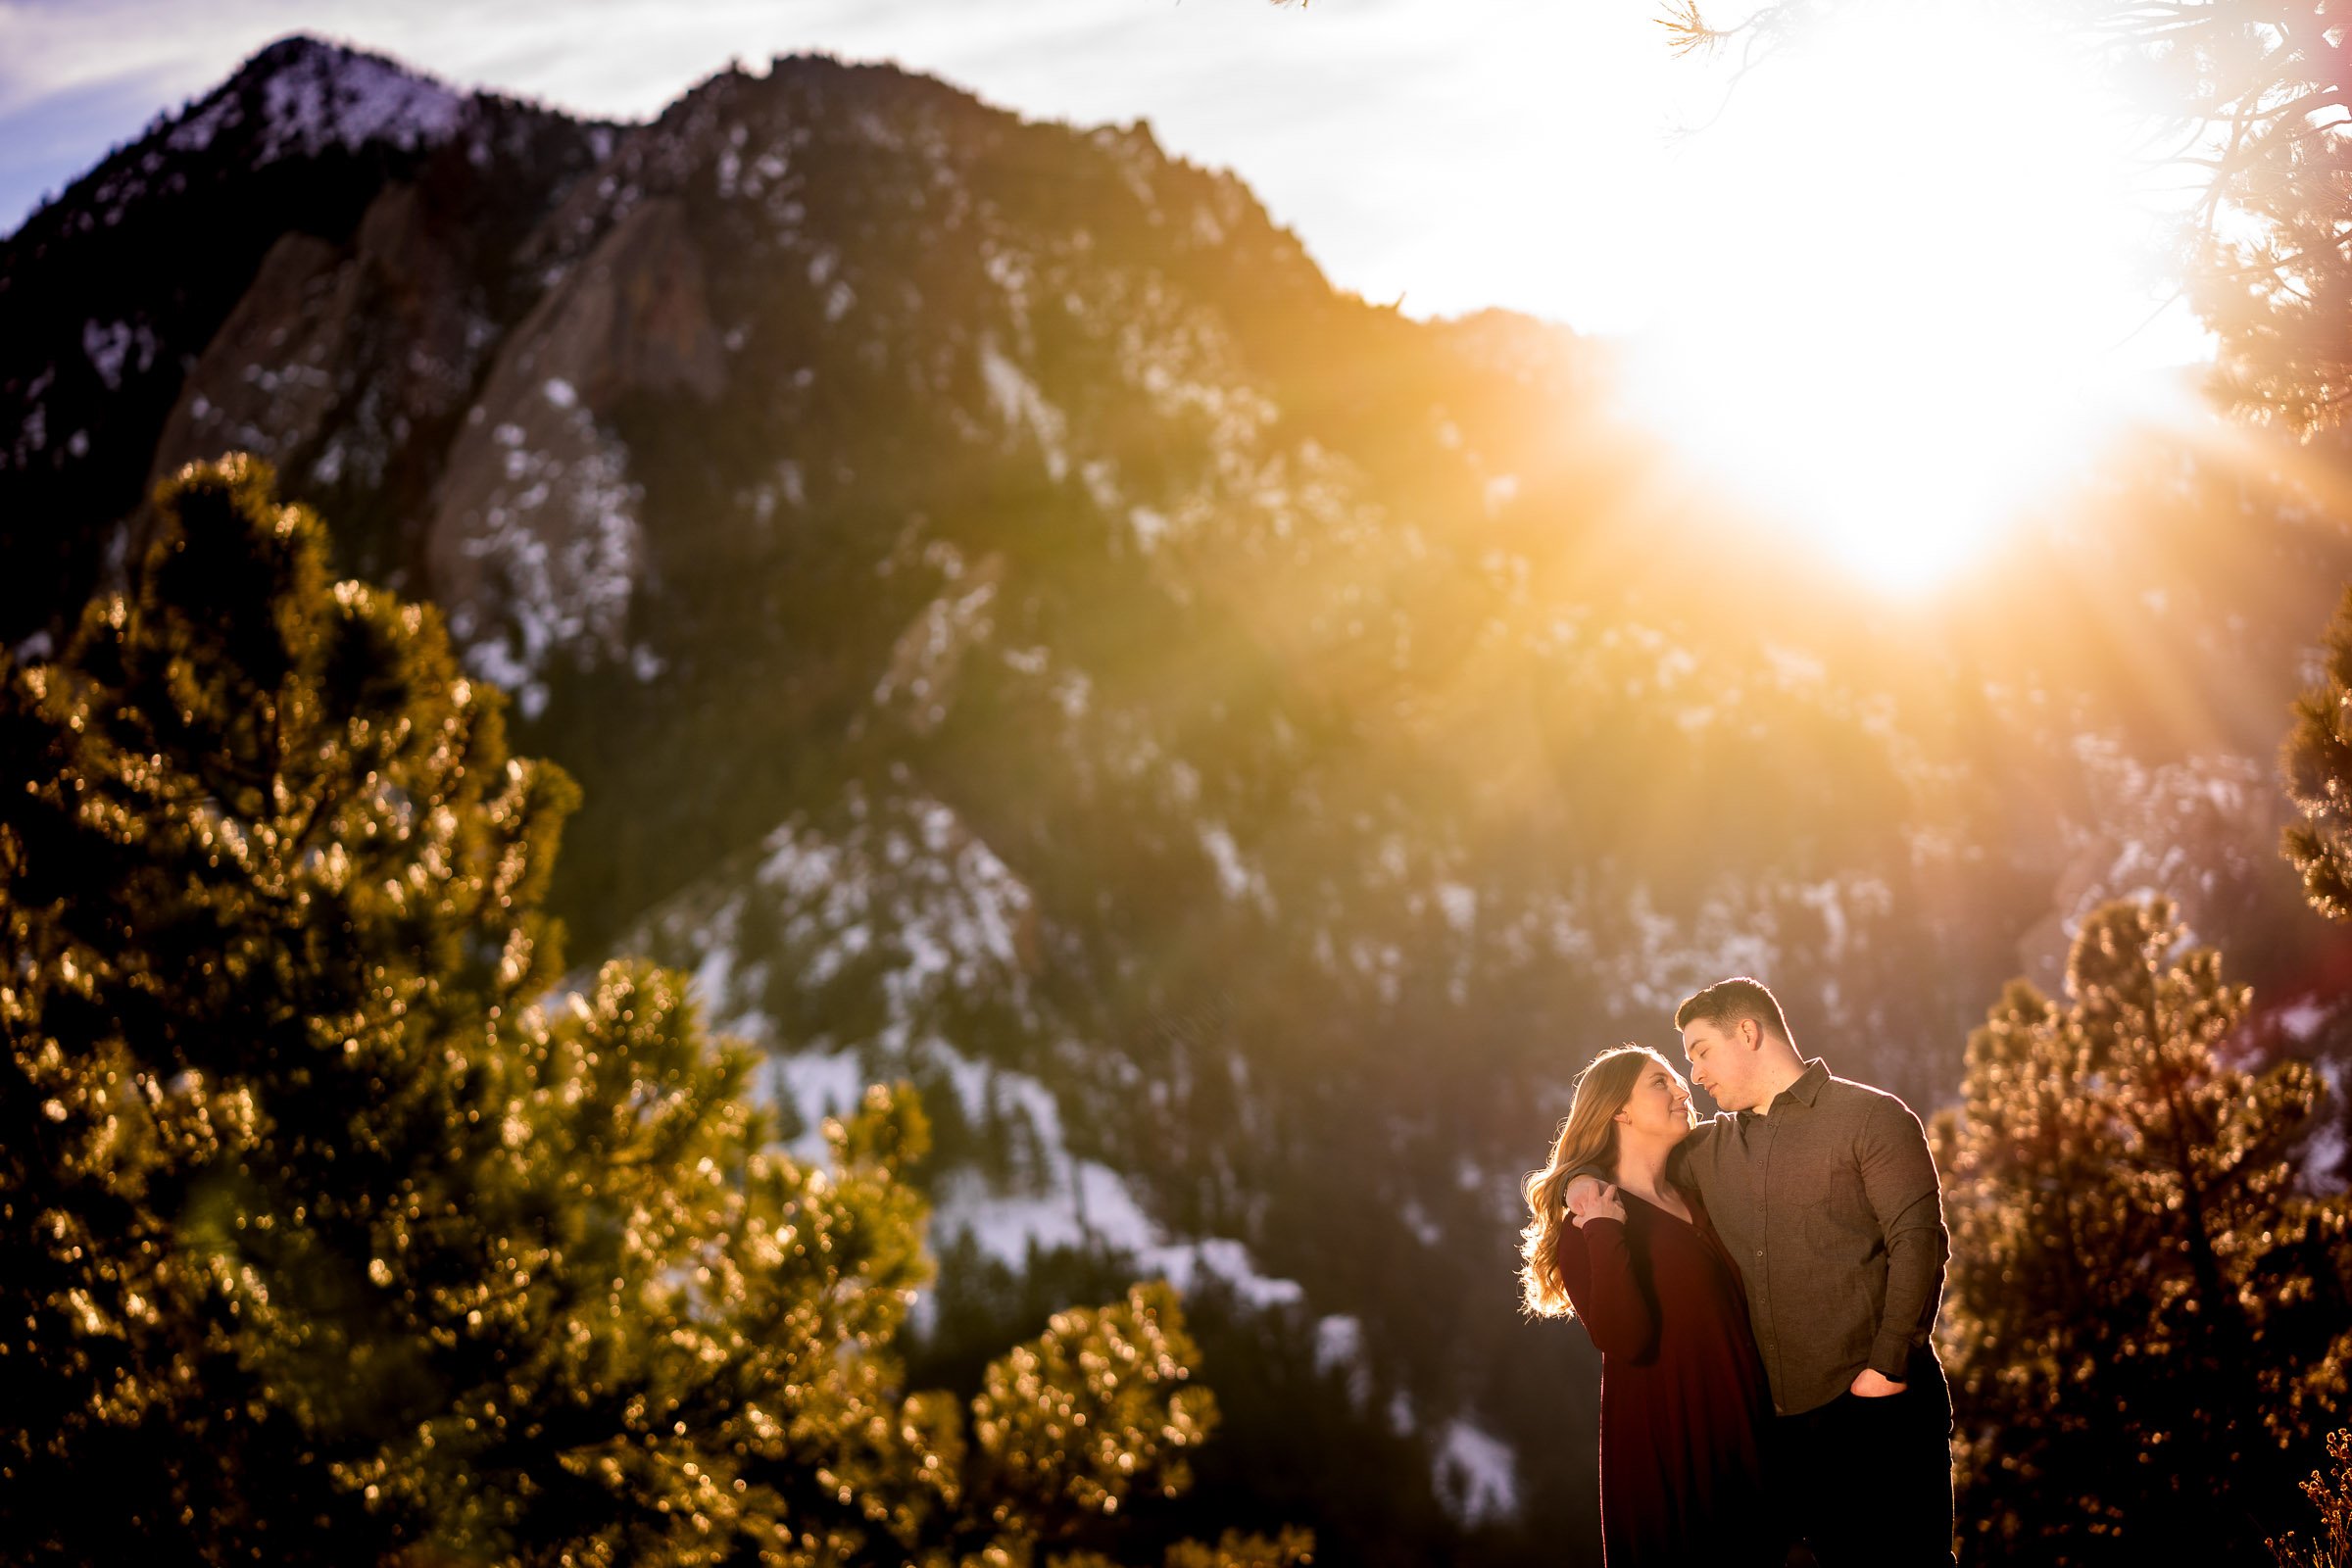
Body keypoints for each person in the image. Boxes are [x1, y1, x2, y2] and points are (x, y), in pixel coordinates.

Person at [1662, 976, 1955, 1567]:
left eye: (1700, 1051)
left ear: (1747, 1032)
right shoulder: (1702, 1154)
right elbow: (1621, 1165)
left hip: (1878, 1411)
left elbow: (1919, 1242)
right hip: (1779, 1438)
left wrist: (1886, 1368)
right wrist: (1580, 1183)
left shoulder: (1872, 1118)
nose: (1694, 1074)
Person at [1521, 1045, 1780, 1567]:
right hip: (1674, 1452)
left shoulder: (1696, 1196)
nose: (1682, 1089)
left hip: (1744, 1445)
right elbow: (1624, 1338)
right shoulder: (1590, 1218)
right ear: (1619, 1110)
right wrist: (1602, 1227)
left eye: (1675, 1080)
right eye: (1660, 1083)